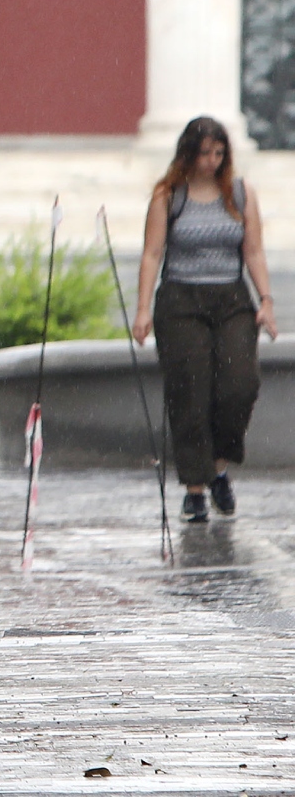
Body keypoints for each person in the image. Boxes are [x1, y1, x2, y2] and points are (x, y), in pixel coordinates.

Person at [132, 117, 277, 524]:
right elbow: (152, 254)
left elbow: (253, 251)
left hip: (231, 296)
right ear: (188, 153)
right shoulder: (169, 195)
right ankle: (195, 489)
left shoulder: (240, 193)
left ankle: (219, 467)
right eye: (204, 153)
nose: (211, 161)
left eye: (218, 153)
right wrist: (142, 309)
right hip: (181, 299)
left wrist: (266, 299)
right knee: (189, 391)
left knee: (239, 385)